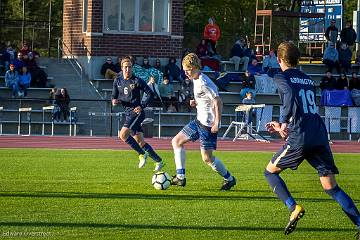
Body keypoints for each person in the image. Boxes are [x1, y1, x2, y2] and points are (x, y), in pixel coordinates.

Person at [264, 41, 360, 236]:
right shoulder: (307, 78)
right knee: (331, 187)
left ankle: (293, 208)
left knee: (270, 172)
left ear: (280, 59)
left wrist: (282, 124)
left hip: (301, 136)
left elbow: (290, 96)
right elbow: (304, 107)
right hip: (318, 133)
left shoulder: (281, 76)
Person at [170, 53, 236, 190]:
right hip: (198, 121)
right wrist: (197, 103)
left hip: (208, 125)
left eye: (188, 69)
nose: (186, 73)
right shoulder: (195, 79)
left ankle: (229, 179)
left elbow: (217, 100)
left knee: (207, 158)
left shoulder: (204, 82)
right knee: (176, 141)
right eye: (185, 70)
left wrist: (217, 122)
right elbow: (206, 100)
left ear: (195, 67)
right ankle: (180, 177)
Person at [111, 57, 164, 171]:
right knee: (140, 141)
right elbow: (114, 96)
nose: (128, 69)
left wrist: (142, 106)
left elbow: (150, 93)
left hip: (137, 113)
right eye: (126, 67)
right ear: (122, 68)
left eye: (130, 67)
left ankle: (141, 154)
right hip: (128, 113)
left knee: (123, 135)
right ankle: (159, 161)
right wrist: (114, 100)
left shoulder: (137, 80)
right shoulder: (118, 80)